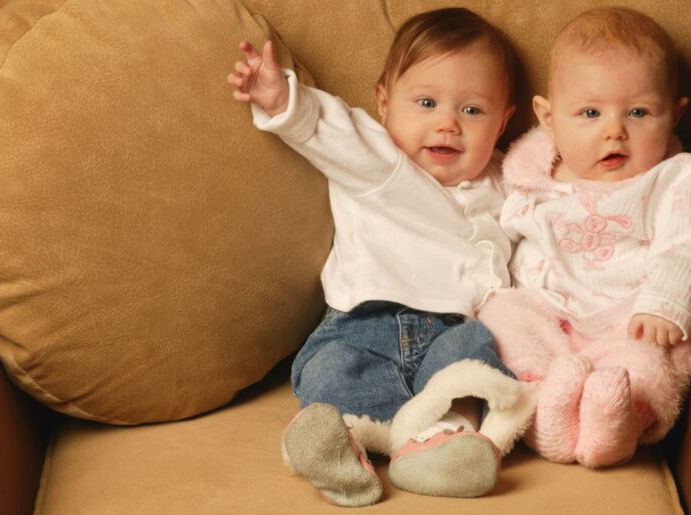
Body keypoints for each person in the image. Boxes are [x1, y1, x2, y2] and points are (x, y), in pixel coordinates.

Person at [227, 7, 536, 506]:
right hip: (363, 323)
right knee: (332, 371)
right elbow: (329, 128)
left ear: (504, 121)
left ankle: (441, 447)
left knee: (471, 358)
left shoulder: (512, 184)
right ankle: (342, 446)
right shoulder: (378, 162)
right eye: (427, 102)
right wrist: (282, 98)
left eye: (472, 111)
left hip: (454, 326)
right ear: (385, 104)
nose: (447, 124)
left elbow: (542, 241)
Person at [478, 7, 691, 468]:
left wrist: (664, 301)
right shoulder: (527, 173)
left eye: (639, 112)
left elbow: (687, 243)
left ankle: (615, 422)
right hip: (545, 307)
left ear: (675, 115)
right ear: (548, 118)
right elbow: (492, 234)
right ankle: (547, 413)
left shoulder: (675, 177)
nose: (614, 131)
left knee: (650, 360)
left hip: (627, 315)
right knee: (501, 315)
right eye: (590, 112)